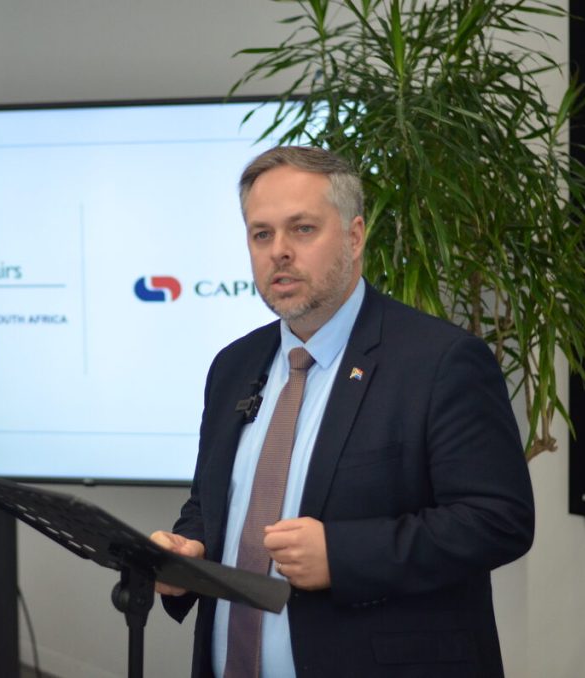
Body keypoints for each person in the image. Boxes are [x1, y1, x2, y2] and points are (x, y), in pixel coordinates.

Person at [150, 146, 535, 678]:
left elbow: (498, 520)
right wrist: (188, 547)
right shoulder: (233, 365)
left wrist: (343, 554)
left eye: (302, 229)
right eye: (262, 234)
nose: (279, 252)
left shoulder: (440, 361)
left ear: (355, 237)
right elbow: (212, 502)